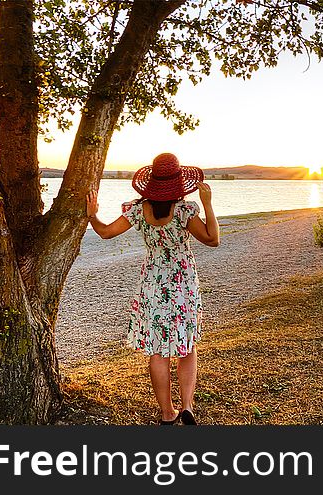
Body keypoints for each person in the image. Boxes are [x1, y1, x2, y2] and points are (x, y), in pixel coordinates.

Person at [85, 152, 220, 425]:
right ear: (179, 182)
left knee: (158, 351)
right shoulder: (184, 210)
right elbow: (212, 239)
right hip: (182, 283)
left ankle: (167, 413)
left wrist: (92, 214)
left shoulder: (137, 209)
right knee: (187, 346)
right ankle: (188, 406)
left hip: (153, 284)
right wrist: (207, 204)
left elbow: (106, 232)